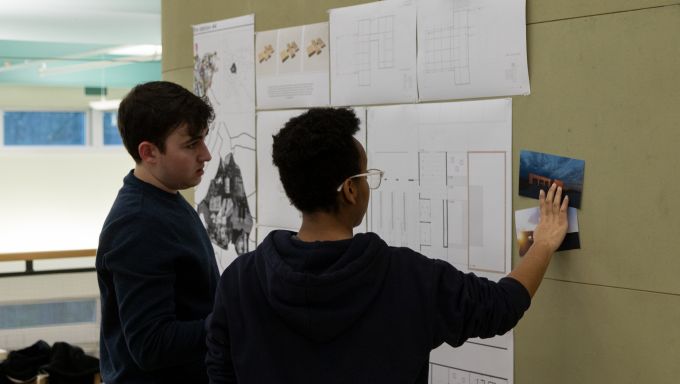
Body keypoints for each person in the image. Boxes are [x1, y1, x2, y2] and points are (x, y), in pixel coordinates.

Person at [205, 108, 569, 383]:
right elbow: (501, 307)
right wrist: (544, 243)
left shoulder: (239, 280)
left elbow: (220, 373)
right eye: (365, 176)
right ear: (350, 189)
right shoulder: (409, 278)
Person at [96, 81, 219, 383]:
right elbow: (151, 345)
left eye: (203, 140)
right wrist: (233, 320)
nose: (206, 154)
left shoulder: (165, 198)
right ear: (149, 152)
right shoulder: (138, 224)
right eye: (191, 145)